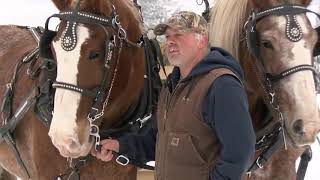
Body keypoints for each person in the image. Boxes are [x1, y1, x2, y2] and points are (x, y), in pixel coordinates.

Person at [91, 11, 256, 180]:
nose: (171, 41)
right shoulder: (171, 86)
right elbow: (159, 140)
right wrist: (120, 146)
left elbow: (241, 150)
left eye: (179, 34)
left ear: (202, 40)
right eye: (168, 36)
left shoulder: (221, 85)